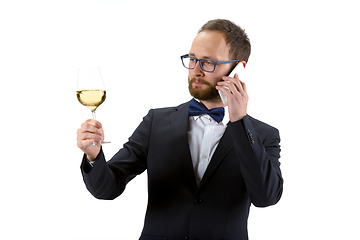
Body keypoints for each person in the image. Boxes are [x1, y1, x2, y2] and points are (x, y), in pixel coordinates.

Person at [77, 19, 283, 240]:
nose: (196, 70)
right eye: (192, 59)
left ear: (238, 69)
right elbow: (108, 188)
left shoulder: (262, 135)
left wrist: (240, 122)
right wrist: (93, 156)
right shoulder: (156, 121)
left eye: (208, 62)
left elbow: (265, 197)